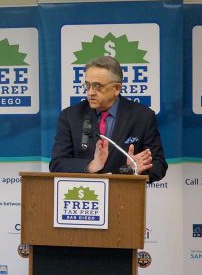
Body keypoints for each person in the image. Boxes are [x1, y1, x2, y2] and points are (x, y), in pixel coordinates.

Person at [49, 55, 167, 183]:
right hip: (84, 197)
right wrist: (90, 166)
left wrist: (132, 169)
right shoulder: (71, 116)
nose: (90, 92)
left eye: (97, 86)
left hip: (124, 196)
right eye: (88, 85)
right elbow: (57, 163)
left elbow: (159, 165)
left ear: (116, 88)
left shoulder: (142, 116)